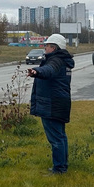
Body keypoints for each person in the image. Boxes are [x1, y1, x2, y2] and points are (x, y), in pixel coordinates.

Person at [26, 34, 74, 174]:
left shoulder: (56, 61)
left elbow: (49, 70)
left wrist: (37, 71)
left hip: (52, 105)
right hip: (60, 103)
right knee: (60, 136)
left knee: (56, 138)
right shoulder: (63, 60)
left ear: (53, 47)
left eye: (46, 45)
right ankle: (62, 165)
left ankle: (59, 168)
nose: (44, 47)